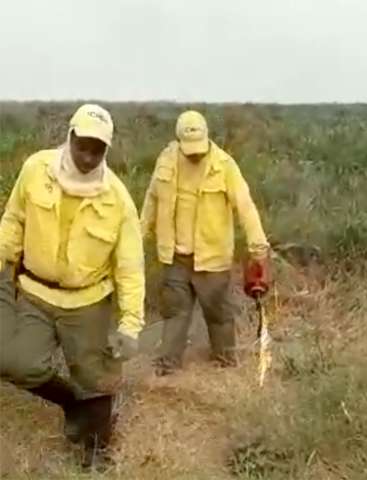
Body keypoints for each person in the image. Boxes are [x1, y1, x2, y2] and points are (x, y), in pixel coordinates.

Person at [0, 104, 145, 470]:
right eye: (82, 145)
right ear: (70, 137)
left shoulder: (117, 198)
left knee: (96, 379)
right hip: (35, 292)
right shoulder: (37, 169)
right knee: (14, 362)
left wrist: (130, 324)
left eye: (97, 149)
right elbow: (14, 219)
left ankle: (97, 452)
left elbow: (130, 267)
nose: (87, 156)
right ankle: (71, 403)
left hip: (87, 301)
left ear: (106, 151)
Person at [141, 110, 270, 376]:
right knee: (176, 311)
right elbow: (151, 201)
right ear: (178, 141)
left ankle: (224, 361)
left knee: (218, 313)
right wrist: (137, 239)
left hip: (212, 257)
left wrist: (258, 248)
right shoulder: (166, 161)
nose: (194, 154)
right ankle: (168, 365)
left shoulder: (224, 165)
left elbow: (245, 206)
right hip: (175, 256)